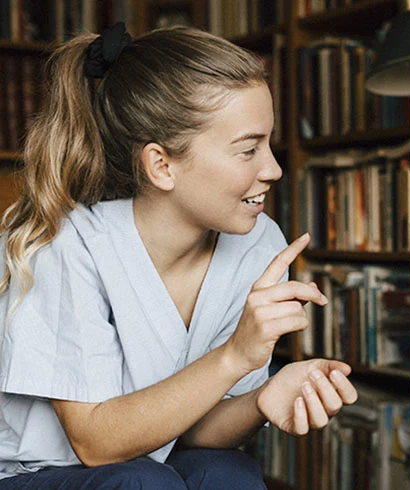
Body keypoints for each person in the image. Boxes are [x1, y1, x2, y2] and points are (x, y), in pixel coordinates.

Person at [0, 23, 358, 488]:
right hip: (36, 472)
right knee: (144, 484)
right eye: (248, 149)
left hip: (145, 461)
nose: (273, 169)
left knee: (227, 473)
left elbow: (194, 433)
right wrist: (236, 355)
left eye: (269, 144)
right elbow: (96, 443)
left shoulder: (259, 243)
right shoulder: (67, 245)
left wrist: (263, 397)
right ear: (162, 165)